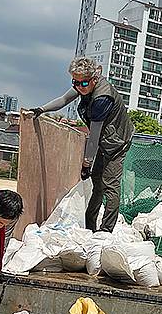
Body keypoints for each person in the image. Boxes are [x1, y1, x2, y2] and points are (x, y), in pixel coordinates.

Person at [31, 56, 134, 232]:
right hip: (103, 139)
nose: (79, 87)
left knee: (110, 184)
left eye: (83, 83)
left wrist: (87, 163)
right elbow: (63, 100)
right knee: (96, 183)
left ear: (94, 79)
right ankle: (90, 223)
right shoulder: (83, 85)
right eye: (75, 82)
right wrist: (41, 109)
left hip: (117, 142)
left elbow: (93, 137)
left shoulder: (103, 98)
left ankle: (106, 230)